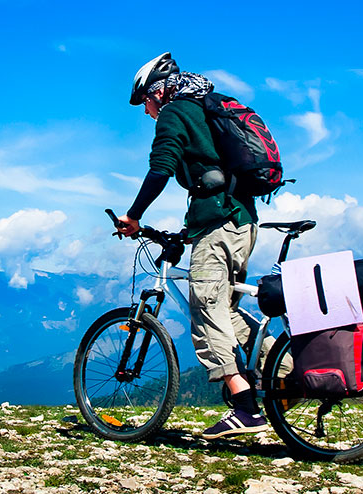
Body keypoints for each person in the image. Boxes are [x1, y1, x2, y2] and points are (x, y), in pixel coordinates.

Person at [116, 52, 267, 439]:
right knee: (226, 311)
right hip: (241, 223)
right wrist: (184, 236)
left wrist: (133, 215)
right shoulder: (204, 107)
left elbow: (161, 167)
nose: (147, 112)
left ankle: (246, 406)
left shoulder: (175, 112)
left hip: (220, 225)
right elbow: (209, 176)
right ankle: (283, 374)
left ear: (159, 91)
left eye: (146, 102)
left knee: (204, 306)